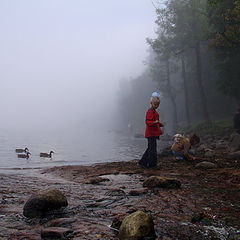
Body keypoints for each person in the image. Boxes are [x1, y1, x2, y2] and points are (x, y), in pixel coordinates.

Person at [138, 92, 164, 168]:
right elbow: (147, 122)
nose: (156, 106)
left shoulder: (155, 112)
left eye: (157, 105)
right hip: (150, 133)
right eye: (155, 104)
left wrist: (160, 124)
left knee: (150, 149)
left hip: (153, 133)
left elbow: (156, 122)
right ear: (151, 103)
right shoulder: (150, 111)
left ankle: (143, 163)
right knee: (152, 150)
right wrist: (154, 122)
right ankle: (152, 164)